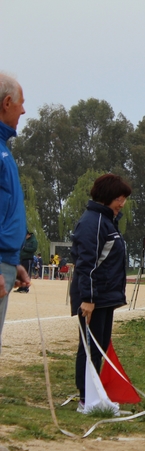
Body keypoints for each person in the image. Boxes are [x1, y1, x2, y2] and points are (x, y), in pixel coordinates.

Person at [69, 173, 131, 412]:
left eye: (123, 198)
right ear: (107, 197)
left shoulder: (108, 220)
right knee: (89, 347)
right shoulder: (92, 222)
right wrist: (88, 299)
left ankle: (95, 393)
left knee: (100, 346)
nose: (122, 203)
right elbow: (86, 263)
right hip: (93, 298)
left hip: (106, 297)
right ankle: (87, 398)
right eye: (119, 198)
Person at [0, 73, 30, 347]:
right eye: (20, 103)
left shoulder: (4, 151)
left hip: (6, 262)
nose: (23, 109)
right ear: (7, 102)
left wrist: (12, 260)